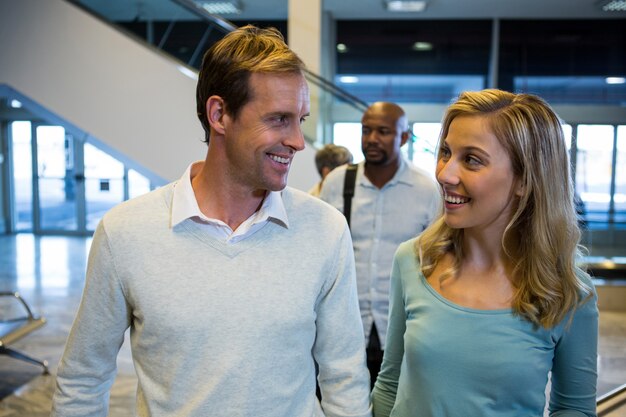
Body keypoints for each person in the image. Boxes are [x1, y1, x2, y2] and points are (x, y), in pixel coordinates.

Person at [51, 25, 372, 417]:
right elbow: (83, 379)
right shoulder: (125, 233)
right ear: (219, 114)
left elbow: (345, 379)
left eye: (300, 120)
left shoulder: (325, 229)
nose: (298, 141)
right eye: (278, 120)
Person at [371, 89, 598, 417]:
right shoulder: (413, 261)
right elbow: (390, 384)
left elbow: (574, 409)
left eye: (472, 160)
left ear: (524, 179)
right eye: (446, 152)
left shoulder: (569, 293)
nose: (445, 174)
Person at [319, 102, 440, 387]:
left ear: (404, 138)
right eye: (366, 130)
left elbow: (438, 259)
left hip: (403, 326)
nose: (372, 138)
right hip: (344, 323)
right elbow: (321, 251)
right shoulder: (338, 182)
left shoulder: (426, 190)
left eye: (383, 131)